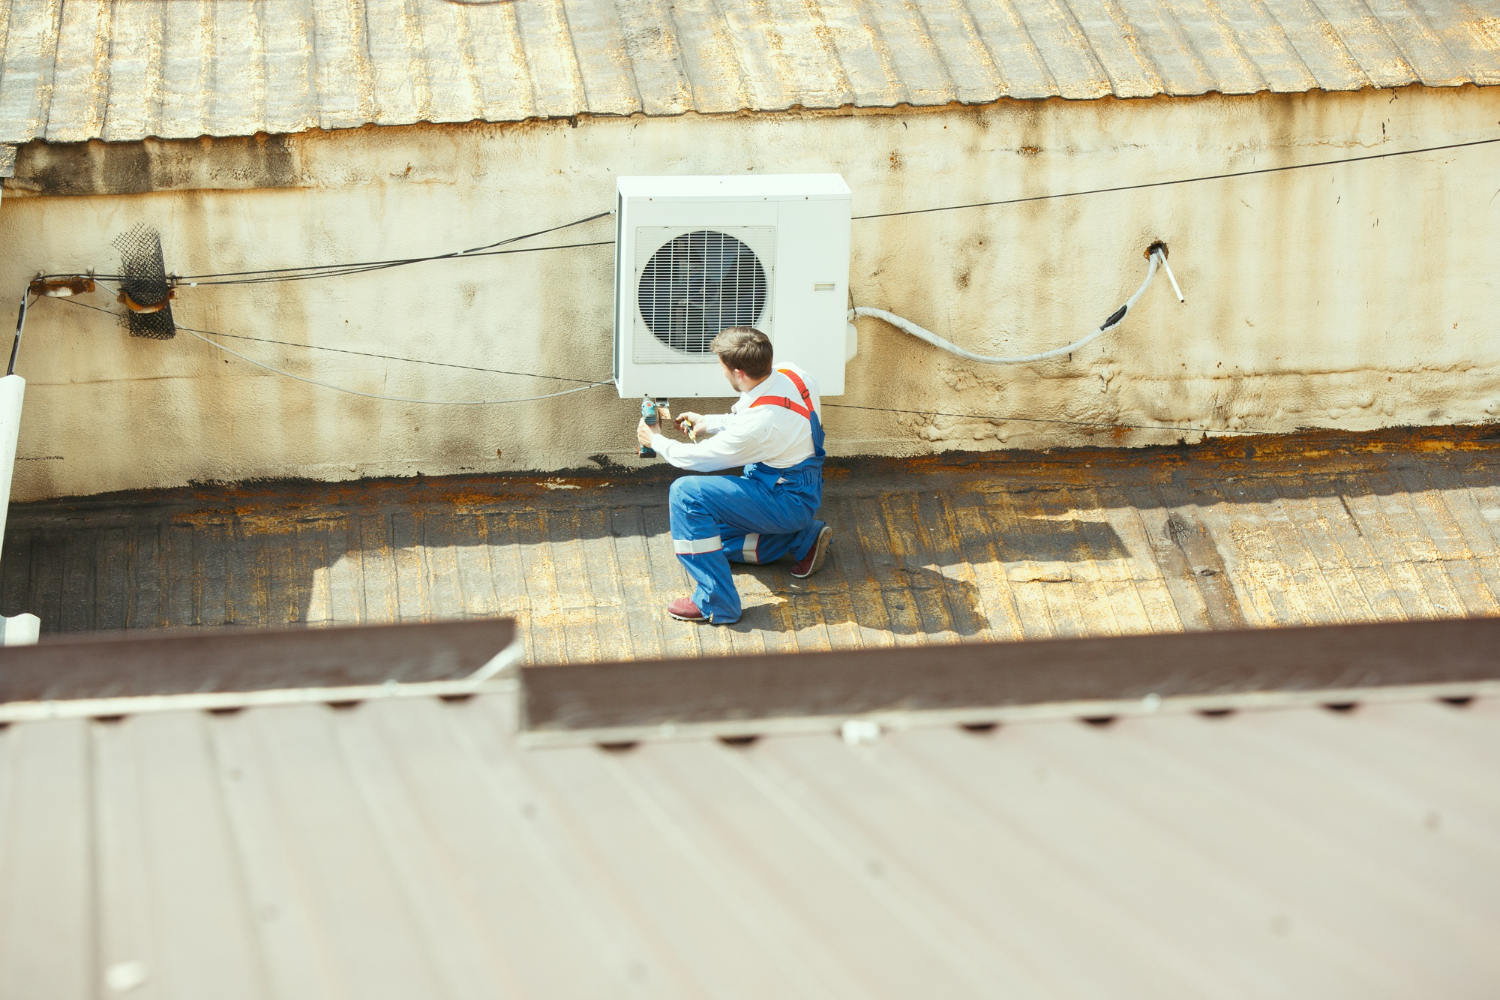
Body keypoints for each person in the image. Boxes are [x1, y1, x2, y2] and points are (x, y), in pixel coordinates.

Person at [636, 326, 833, 624]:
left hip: (781, 500)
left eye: (722, 366)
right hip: (799, 487)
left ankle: (717, 603)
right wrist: (709, 422)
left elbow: (698, 459)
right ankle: (804, 538)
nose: (722, 371)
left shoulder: (761, 426)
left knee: (686, 494)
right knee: (710, 540)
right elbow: (758, 415)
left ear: (739, 373)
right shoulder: (792, 373)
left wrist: (656, 441)